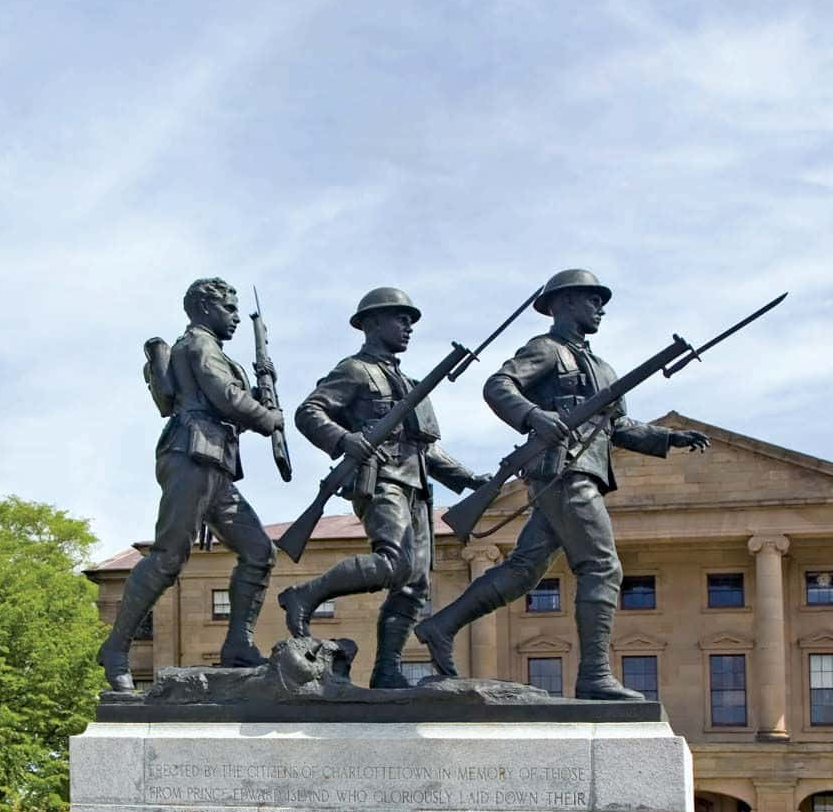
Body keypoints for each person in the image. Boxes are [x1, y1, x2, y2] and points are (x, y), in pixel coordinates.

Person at [414, 269, 710, 699]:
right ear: (565, 303)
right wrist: (535, 416)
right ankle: (593, 676)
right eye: (592, 299)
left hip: (578, 472)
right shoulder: (546, 350)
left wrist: (666, 438)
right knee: (603, 567)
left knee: (521, 572)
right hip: (564, 472)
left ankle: (441, 626)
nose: (601, 308)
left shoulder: (602, 368)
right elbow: (498, 385)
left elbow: (617, 425)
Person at [278, 288, 487, 688]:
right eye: (400, 319)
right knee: (394, 563)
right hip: (381, 477)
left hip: (417, 487)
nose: (408, 327)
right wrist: (343, 440)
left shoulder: (409, 382)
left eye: (410, 321)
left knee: (415, 584)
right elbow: (309, 412)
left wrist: (468, 478)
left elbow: (424, 448)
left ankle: (386, 669)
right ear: (372, 323)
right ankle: (305, 594)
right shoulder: (355, 370)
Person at [96, 278, 285, 692]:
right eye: (228, 308)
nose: (235, 317)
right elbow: (226, 398)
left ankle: (238, 643)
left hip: (214, 463)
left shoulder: (211, 350)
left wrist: (262, 387)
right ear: (203, 307)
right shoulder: (199, 345)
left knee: (258, 550)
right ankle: (115, 648)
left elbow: (232, 398)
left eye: (237, 310)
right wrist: (267, 417)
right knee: (167, 557)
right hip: (192, 455)